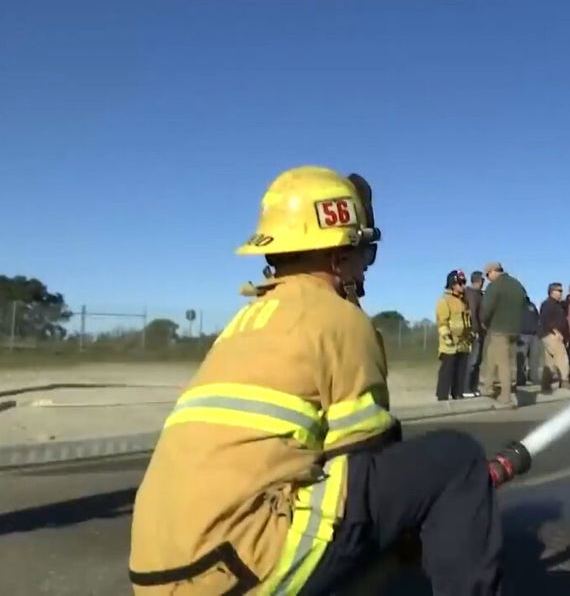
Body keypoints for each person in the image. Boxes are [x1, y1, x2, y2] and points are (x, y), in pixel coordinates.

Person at [129, 166, 502, 596]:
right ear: (338, 257)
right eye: (365, 253)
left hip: (159, 571)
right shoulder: (339, 320)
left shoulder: (244, 323)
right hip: (236, 567)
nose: (366, 268)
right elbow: (368, 455)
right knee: (455, 458)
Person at [479, 261, 527, 409]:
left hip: (499, 329)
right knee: (492, 354)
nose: (487, 278)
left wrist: (483, 322)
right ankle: (488, 387)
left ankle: (505, 397)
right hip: (515, 329)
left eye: (488, 275)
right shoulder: (517, 285)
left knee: (503, 363)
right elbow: (524, 304)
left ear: (493, 271)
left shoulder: (495, 286)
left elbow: (486, 308)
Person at [435, 269, 474, 401]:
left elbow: (467, 319)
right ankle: (442, 396)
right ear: (452, 284)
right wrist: (446, 336)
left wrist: (471, 333)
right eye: (460, 283)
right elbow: (442, 321)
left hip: (463, 342)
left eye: (464, 282)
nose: (463, 286)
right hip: (450, 343)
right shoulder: (444, 301)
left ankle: (458, 393)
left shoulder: (464, 301)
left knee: (461, 370)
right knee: (447, 370)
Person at [538, 283, 570, 392]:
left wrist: (566, 337)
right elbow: (545, 320)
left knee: (550, 361)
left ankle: (545, 384)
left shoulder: (559, 305)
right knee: (561, 355)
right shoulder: (547, 304)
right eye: (559, 291)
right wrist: (556, 332)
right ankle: (565, 380)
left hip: (554, 334)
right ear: (552, 292)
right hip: (550, 334)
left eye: (562, 291)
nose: (561, 293)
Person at [463, 271, 486, 398]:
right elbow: (473, 312)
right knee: (472, 361)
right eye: (482, 280)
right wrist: (475, 329)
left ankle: (473, 386)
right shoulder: (471, 294)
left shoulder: (480, 294)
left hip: (482, 332)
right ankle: (466, 387)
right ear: (478, 281)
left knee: (477, 361)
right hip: (475, 332)